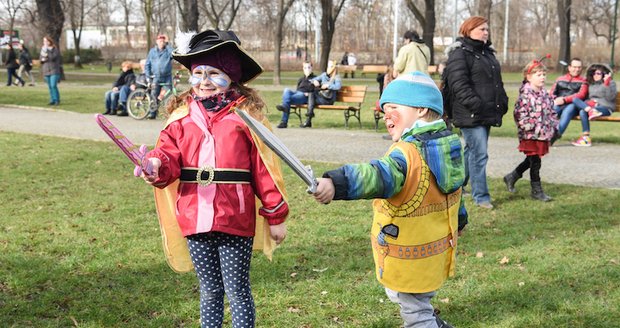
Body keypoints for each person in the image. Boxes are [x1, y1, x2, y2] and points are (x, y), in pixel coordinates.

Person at [139, 29, 288, 328]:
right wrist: (155, 165)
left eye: (214, 73)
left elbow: (264, 169)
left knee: (237, 290)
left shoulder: (245, 118)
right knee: (209, 291)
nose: (204, 80)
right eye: (198, 73)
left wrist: (276, 214)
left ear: (231, 76)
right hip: (195, 216)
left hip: (236, 215)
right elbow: (168, 158)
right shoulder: (180, 120)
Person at [313, 72, 467, 328]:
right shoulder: (450, 144)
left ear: (420, 109)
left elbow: (376, 176)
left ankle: (426, 322)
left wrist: (336, 182)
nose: (386, 115)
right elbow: (456, 192)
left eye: (394, 107)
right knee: (408, 296)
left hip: (411, 256)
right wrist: (460, 221)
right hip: (437, 249)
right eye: (385, 109)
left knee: (414, 312)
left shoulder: (406, 154)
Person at [443, 16, 509, 209]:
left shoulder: (488, 53)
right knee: (479, 154)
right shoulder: (459, 54)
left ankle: (456, 185)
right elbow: (458, 85)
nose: (486, 32)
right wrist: (477, 105)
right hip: (470, 114)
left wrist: (502, 102)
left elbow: (497, 83)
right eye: (481, 29)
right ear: (468, 31)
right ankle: (481, 196)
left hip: (486, 112)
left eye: (487, 29)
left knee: (471, 151)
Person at [503, 59, 559, 202]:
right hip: (530, 134)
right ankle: (536, 190)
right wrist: (529, 127)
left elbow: (552, 112)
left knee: (533, 159)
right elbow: (519, 115)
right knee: (535, 162)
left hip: (543, 133)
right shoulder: (525, 95)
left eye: (544, 75)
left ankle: (512, 176)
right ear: (529, 77)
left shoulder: (545, 95)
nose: (542, 78)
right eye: (538, 75)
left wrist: (553, 126)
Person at [569, 64, 617, 147]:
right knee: (577, 103)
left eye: (598, 73)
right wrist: (590, 104)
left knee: (585, 110)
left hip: (605, 108)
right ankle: (586, 138)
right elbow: (588, 98)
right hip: (592, 108)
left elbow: (610, 98)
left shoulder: (611, 83)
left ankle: (592, 111)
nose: (595, 75)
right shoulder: (592, 85)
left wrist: (606, 84)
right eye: (594, 73)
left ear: (604, 74)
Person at [549, 58, 588, 144]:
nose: (577, 69)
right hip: (558, 103)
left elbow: (581, 95)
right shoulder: (560, 79)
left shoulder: (583, 81)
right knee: (552, 111)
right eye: (574, 67)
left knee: (568, 111)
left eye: (579, 67)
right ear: (569, 67)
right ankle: (543, 135)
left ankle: (555, 136)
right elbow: (552, 92)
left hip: (573, 104)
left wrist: (564, 99)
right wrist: (555, 99)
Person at [301, 60, 341, 128]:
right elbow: (311, 80)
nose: (329, 68)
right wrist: (315, 81)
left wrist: (328, 85)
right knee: (311, 94)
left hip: (329, 100)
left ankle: (309, 119)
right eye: (328, 66)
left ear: (335, 67)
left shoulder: (337, 77)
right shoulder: (324, 75)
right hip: (321, 98)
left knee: (311, 100)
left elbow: (338, 87)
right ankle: (309, 117)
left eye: (331, 66)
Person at [275, 61, 316, 128]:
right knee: (286, 90)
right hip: (297, 93)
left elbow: (316, 91)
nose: (307, 69)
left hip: (304, 96)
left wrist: (309, 94)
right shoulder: (301, 79)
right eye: (305, 67)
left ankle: (284, 122)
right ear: (303, 69)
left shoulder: (315, 78)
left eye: (309, 67)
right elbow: (297, 89)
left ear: (312, 68)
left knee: (286, 101)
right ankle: (284, 107)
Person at [145, 34, 173, 119]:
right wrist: (148, 76)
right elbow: (147, 64)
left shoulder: (168, 51)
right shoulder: (152, 51)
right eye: (160, 41)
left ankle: (166, 110)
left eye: (163, 41)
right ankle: (152, 113)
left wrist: (168, 45)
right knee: (154, 94)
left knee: (168, 92)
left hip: (167, 77)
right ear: (157, 42)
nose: (161, 42)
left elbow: (174, 53)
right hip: (156, 77)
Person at [40, 36, 62, 105]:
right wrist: (43, 58)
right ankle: (52, 99)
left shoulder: (54, 49)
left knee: (53, 85)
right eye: (44, 41)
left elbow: (52, 57)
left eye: (46, 41)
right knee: (50, 86)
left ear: (50, 41)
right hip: (46, 70)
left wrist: (47, 52)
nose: (45, 43)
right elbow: (41, 59)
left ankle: (57, 100)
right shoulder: (43, 50)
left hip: (54, 70)